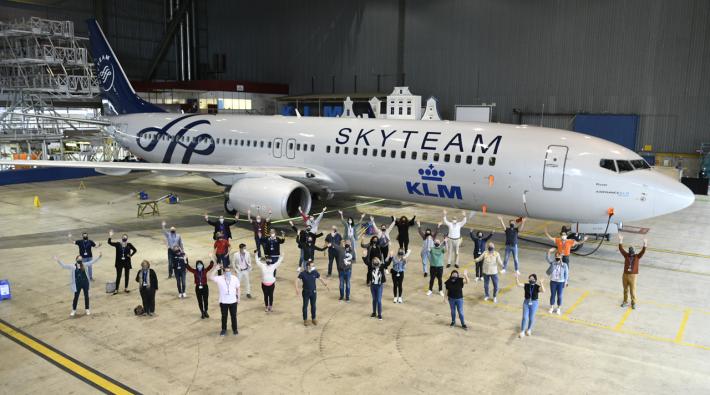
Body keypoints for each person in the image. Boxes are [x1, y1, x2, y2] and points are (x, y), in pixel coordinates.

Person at [210, 263, 240, 336]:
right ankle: (223, 329)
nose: (228, 273)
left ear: (231, 272)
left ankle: (235, 329)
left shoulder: (235, 278)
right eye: (226, 271)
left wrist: (238, 298)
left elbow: (238, 288)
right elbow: (210, 277)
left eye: (229, 271)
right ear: (224, 272)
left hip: (233, 301)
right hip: (223, 302)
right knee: (224, 316)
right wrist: (216, 269)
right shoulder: (220, 278)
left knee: (233, 316)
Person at [295, 259, 329, 326]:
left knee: (313, 306)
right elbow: (296, 281)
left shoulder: (315, 272)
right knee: (305, 306)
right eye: (312, 265)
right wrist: (296, 289)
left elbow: (320, 278)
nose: (313, 267)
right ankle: (305, 320)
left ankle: (313, 319)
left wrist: (326, 284)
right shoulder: (303, 273)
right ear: (308, 266)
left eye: (313, 265)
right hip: (305, 292)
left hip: (313, 292)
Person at [618, 235, 647, 309]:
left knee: (632, 290)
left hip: (633, 276)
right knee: (625, 289)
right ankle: (625, 301)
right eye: (630, 249)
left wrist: (645, 244)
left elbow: (643, 252)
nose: (631, 251)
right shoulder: (626, 255)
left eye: (632, 249)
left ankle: (633, 303)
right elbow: (621, 249)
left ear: (634, 251)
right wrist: (621, 240)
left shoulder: (637, 256)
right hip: (625, 275)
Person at [515, 273, 545, 338]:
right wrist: (516, 277)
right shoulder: (526, 285)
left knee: (531, 318)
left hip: (534, 303)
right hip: (526, 302)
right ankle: (522, 331)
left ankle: (529, 329)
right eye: (530, 278)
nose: (531, 280)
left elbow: (543, 290)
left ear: (535, 280)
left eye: (532, 279)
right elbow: (518, 284)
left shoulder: (537, 287)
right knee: (524, 317)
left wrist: (541, 283)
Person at [108, 230, 137, 295]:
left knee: (127, 275)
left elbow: (135, 250)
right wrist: (110, 235)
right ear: (122, 238)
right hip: (119, 262)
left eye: (125, 237)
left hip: (127, 262)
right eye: (123, 237)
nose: (124, 238)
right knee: (118, 276)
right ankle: (116, 289)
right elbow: (109, 242)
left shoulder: (129, 244)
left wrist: (131, 255)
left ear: (127, 238)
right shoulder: (118, 244)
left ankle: (126, 288)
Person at [546, 248, 569, 314]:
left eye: (558, 256)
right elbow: (547, 259)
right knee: (553, 295)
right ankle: (551, 307)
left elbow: (566, 274)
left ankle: (558, 308)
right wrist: (549, 251)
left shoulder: (564, 265)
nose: (557, 257)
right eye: (556, 256)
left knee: (559, 295)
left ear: (561, 257)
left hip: (561, 282)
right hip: (553, 281)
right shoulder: (553, 263)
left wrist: (566, 282)